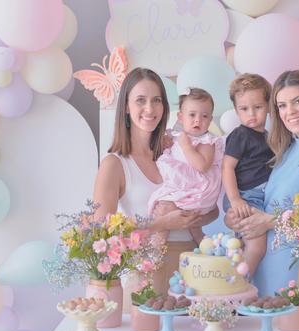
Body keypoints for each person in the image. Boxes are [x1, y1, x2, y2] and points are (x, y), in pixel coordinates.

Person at [93, 68, 218, 295]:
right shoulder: (115, 164)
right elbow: (101, 232)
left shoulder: (176, 153)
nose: (150, 109)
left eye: (156, 100)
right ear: (126, 108)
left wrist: (196, 216)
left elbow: (212, 209)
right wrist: (162, 224)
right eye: (140, 100)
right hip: (147, 271)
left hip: (194, 270)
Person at [225, 70, 299, 298]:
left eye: (297, 101)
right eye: (282, 105)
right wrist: (236, 217)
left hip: (292, 272)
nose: (290, 112)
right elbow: (265, 204)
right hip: (260, 270)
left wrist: (268, 223)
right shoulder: (282, 152)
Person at [147, 87, 224, 246]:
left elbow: (202, 166)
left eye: (204, 116)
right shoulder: (175, 137)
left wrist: (187, 146)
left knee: (165, 208)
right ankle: (200, 240)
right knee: (167, 209)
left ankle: (157, 244)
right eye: (192, 115)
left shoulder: (207, 141)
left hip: (197, 192)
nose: (198, 120)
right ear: (180, 117)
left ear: (210, 120)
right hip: (183, 188)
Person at [222, 73, 274, 277]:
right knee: (257, 247)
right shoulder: (240, 135)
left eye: (258, 107)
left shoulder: (267, 137)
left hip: (258, 197)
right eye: (244, 109)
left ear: (268, 106)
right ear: (236, 110)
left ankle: (236, 283)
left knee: (244, 246)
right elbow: (227, 168)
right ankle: (238, 285)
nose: (251, 114)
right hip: (245, 196)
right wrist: (235, 199)